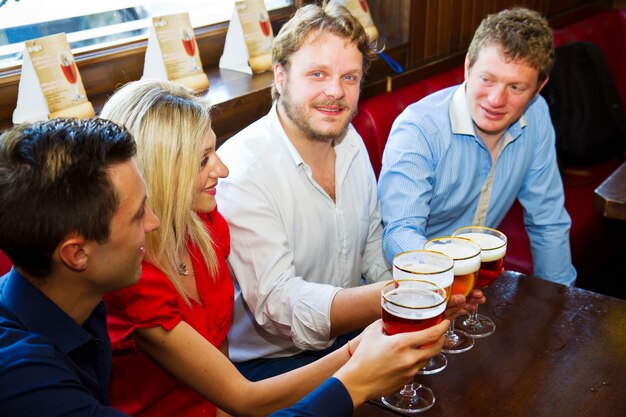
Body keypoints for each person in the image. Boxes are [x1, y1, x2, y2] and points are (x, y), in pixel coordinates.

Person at [99, 79, 450, 417]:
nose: (221, 169)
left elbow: (222, 375)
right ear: (160, 172)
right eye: (203, 159)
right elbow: (244, 397)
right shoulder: (134, 279)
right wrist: (359, 356)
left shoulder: (204, 228)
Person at [216, 2, 481, 381]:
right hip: (270, 364)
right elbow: (279, 305)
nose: (334, 92)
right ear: (280, 76)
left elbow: (373, 246)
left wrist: (420, 297)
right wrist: (394, 295)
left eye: (349, 78)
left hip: (350, 338)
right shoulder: (243, 170)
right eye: (317, 74)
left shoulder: (349, 139)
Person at [378, 7, 576, 287]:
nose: (496, 100)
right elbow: (400, 233)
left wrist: (561, 304)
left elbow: (548, 221)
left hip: (477, 288)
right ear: (468, 65)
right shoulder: (419, 128)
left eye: (516, 87)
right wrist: (451, 281)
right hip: (408, 286)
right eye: (487, 79)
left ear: (539, 87)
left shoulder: (537, 115)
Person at [0, 118, 160, 416]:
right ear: (76, 255)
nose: (154, 222)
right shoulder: (24, 380)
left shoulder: (77, 300)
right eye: (139, 215)